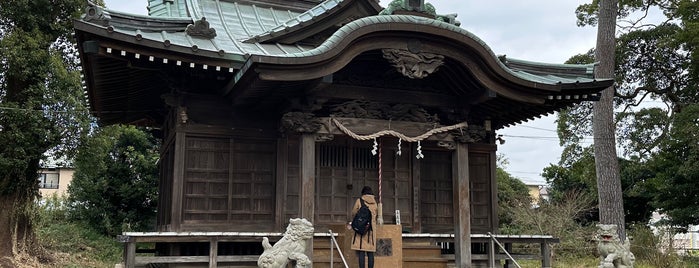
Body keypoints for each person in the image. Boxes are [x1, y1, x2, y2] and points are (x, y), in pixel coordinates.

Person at [350, 186, 378, 268]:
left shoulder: (359, 201)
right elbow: (375, 215)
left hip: (361, 229)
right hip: (371, 230)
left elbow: (354, 212)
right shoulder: (374, 203)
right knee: (370, 252)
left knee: (361, 251)